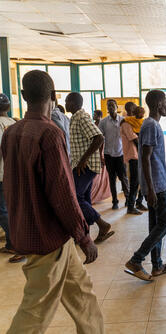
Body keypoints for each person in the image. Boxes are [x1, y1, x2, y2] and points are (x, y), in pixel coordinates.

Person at [2, 70, 103, 333]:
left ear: (23, 96)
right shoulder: (50, 134)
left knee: (83, 296)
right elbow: (63, 195)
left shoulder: (10, 133)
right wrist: (84, 236)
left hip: (42, 233)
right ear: (55, 96)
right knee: (35, 312)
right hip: (47, 238)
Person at [124, 90, 166, 281]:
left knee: (156, 224)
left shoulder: (152, 125)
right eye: (165, 103)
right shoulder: (150, 125)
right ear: (157, 104)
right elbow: (146, 159)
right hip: (156, 185)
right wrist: (150, 189)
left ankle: (157, 266)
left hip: (157, 183)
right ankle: (136, 259)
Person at [67, 92, 114, 243]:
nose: (65, 103)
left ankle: (102, 224)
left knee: (75, 198)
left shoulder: (81, 117)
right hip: (81, 165)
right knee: (84, 199)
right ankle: (85, 233)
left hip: (84, 166)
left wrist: (82, 161)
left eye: (67, 101)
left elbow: (99, 137)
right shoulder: (75, 118)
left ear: (73, 103)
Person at [0, 94, 25, 263]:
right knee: (11, 209)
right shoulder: (16, 123)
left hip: (2, 173)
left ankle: (18, 245)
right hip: (15, 172)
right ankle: (11, 243)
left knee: (2, 211)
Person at [99, 99, 130, 210]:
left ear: (117, 107)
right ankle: (115, 201)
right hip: (108, 154)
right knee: (112, 179)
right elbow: (100, 140)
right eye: (109, 106)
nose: (110, 107)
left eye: (112, 105)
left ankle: (128, 199)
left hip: (121, 154)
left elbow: (128, 138)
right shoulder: (103, 122)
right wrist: (100, 155)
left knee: (123, 178)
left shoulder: (123, 121)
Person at [121, 106, 148, 215]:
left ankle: (139, 202)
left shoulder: (138, 122)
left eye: (142, 112)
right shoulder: (126, 123)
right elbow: (135, 139)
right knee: (135, 182)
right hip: (133, 155)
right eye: (139, 111)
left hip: (139, 155)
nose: (141, 114)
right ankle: (130, 206)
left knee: (142, 179)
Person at [90, 109, 112, 204]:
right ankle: (94, 195)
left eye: (95, 114)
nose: (93, 116)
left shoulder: (102, 124)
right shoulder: (93, 124)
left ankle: (98, 195)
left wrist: (101, 153)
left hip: (101, 149)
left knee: (101, 174)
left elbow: (102, 139)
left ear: (99, 115)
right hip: (95, 149)